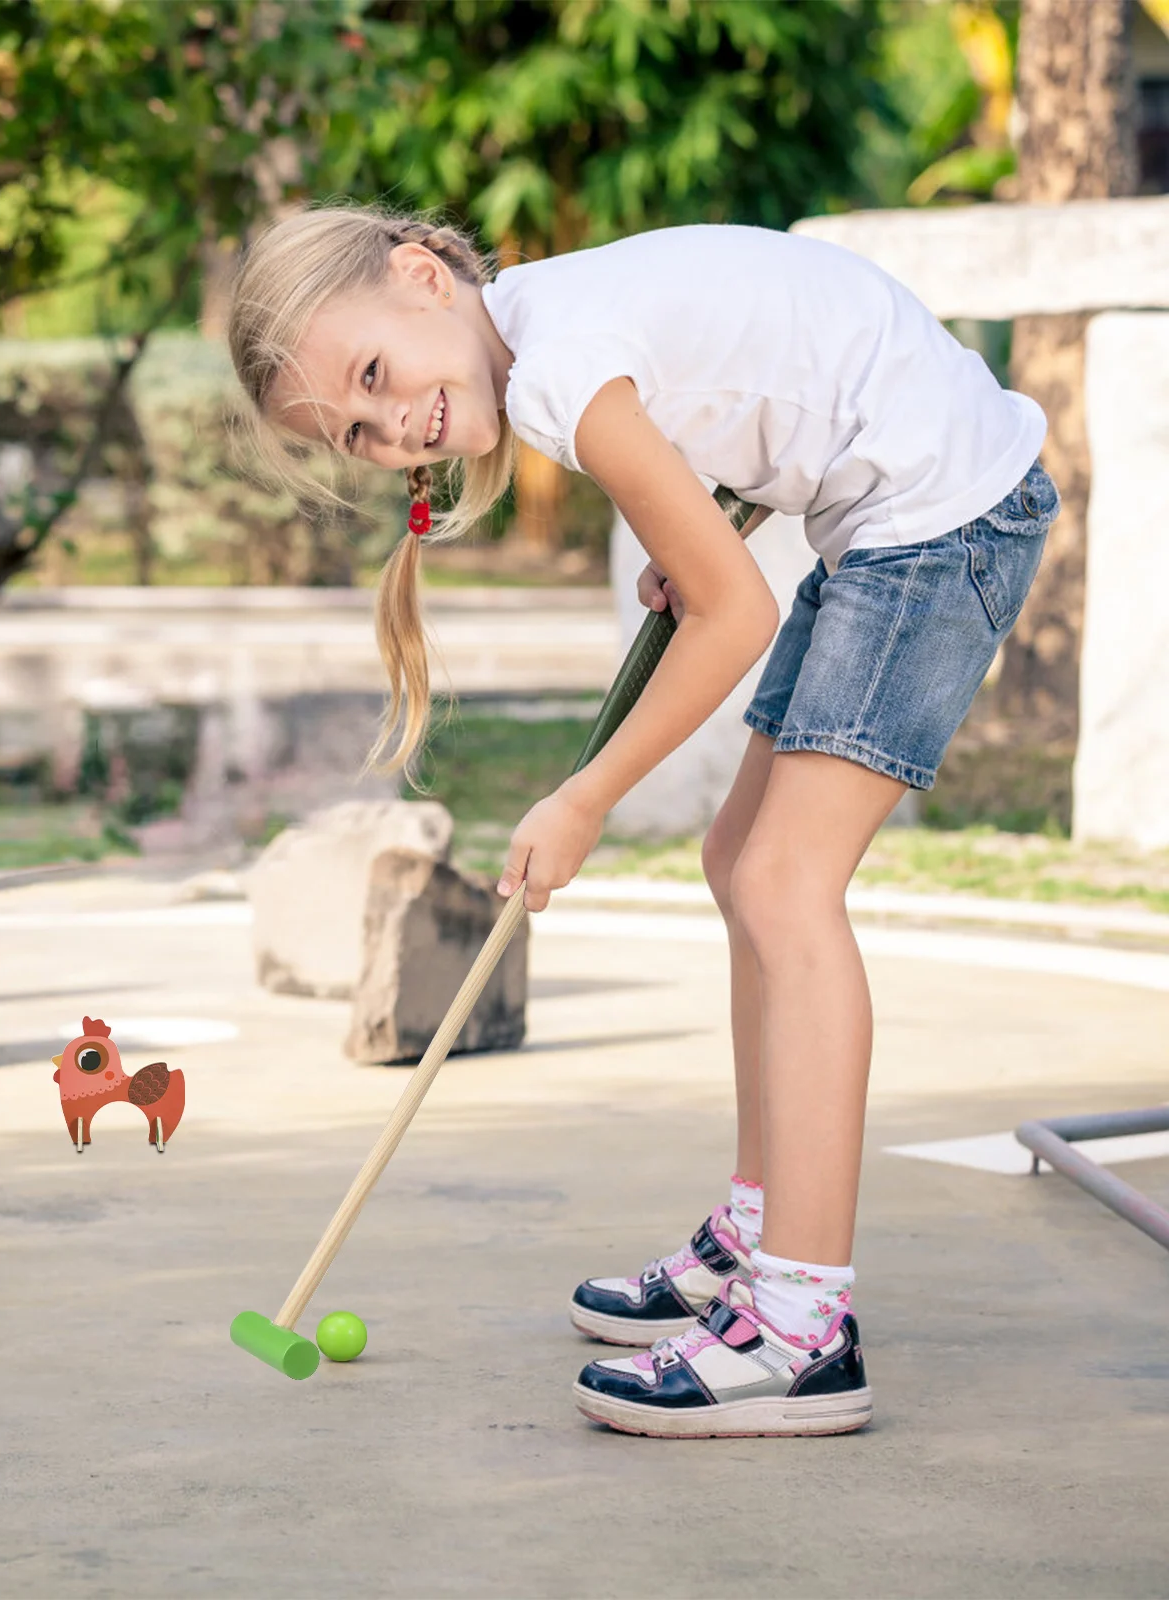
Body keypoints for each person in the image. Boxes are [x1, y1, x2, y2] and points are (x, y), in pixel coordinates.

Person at [226, 204, 1057, 1438]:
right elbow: (772, 387)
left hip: (936, 516)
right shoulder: (542, 328)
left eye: (374, 375)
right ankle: (760, 1230)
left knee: (785, 884)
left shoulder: (559, 366)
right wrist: (717, 523)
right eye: (358, 428)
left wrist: (584, 797)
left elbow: (732, 618)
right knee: (740, 862)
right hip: (884, 504)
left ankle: (804, 1324)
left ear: (419, 277)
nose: (394, 425)